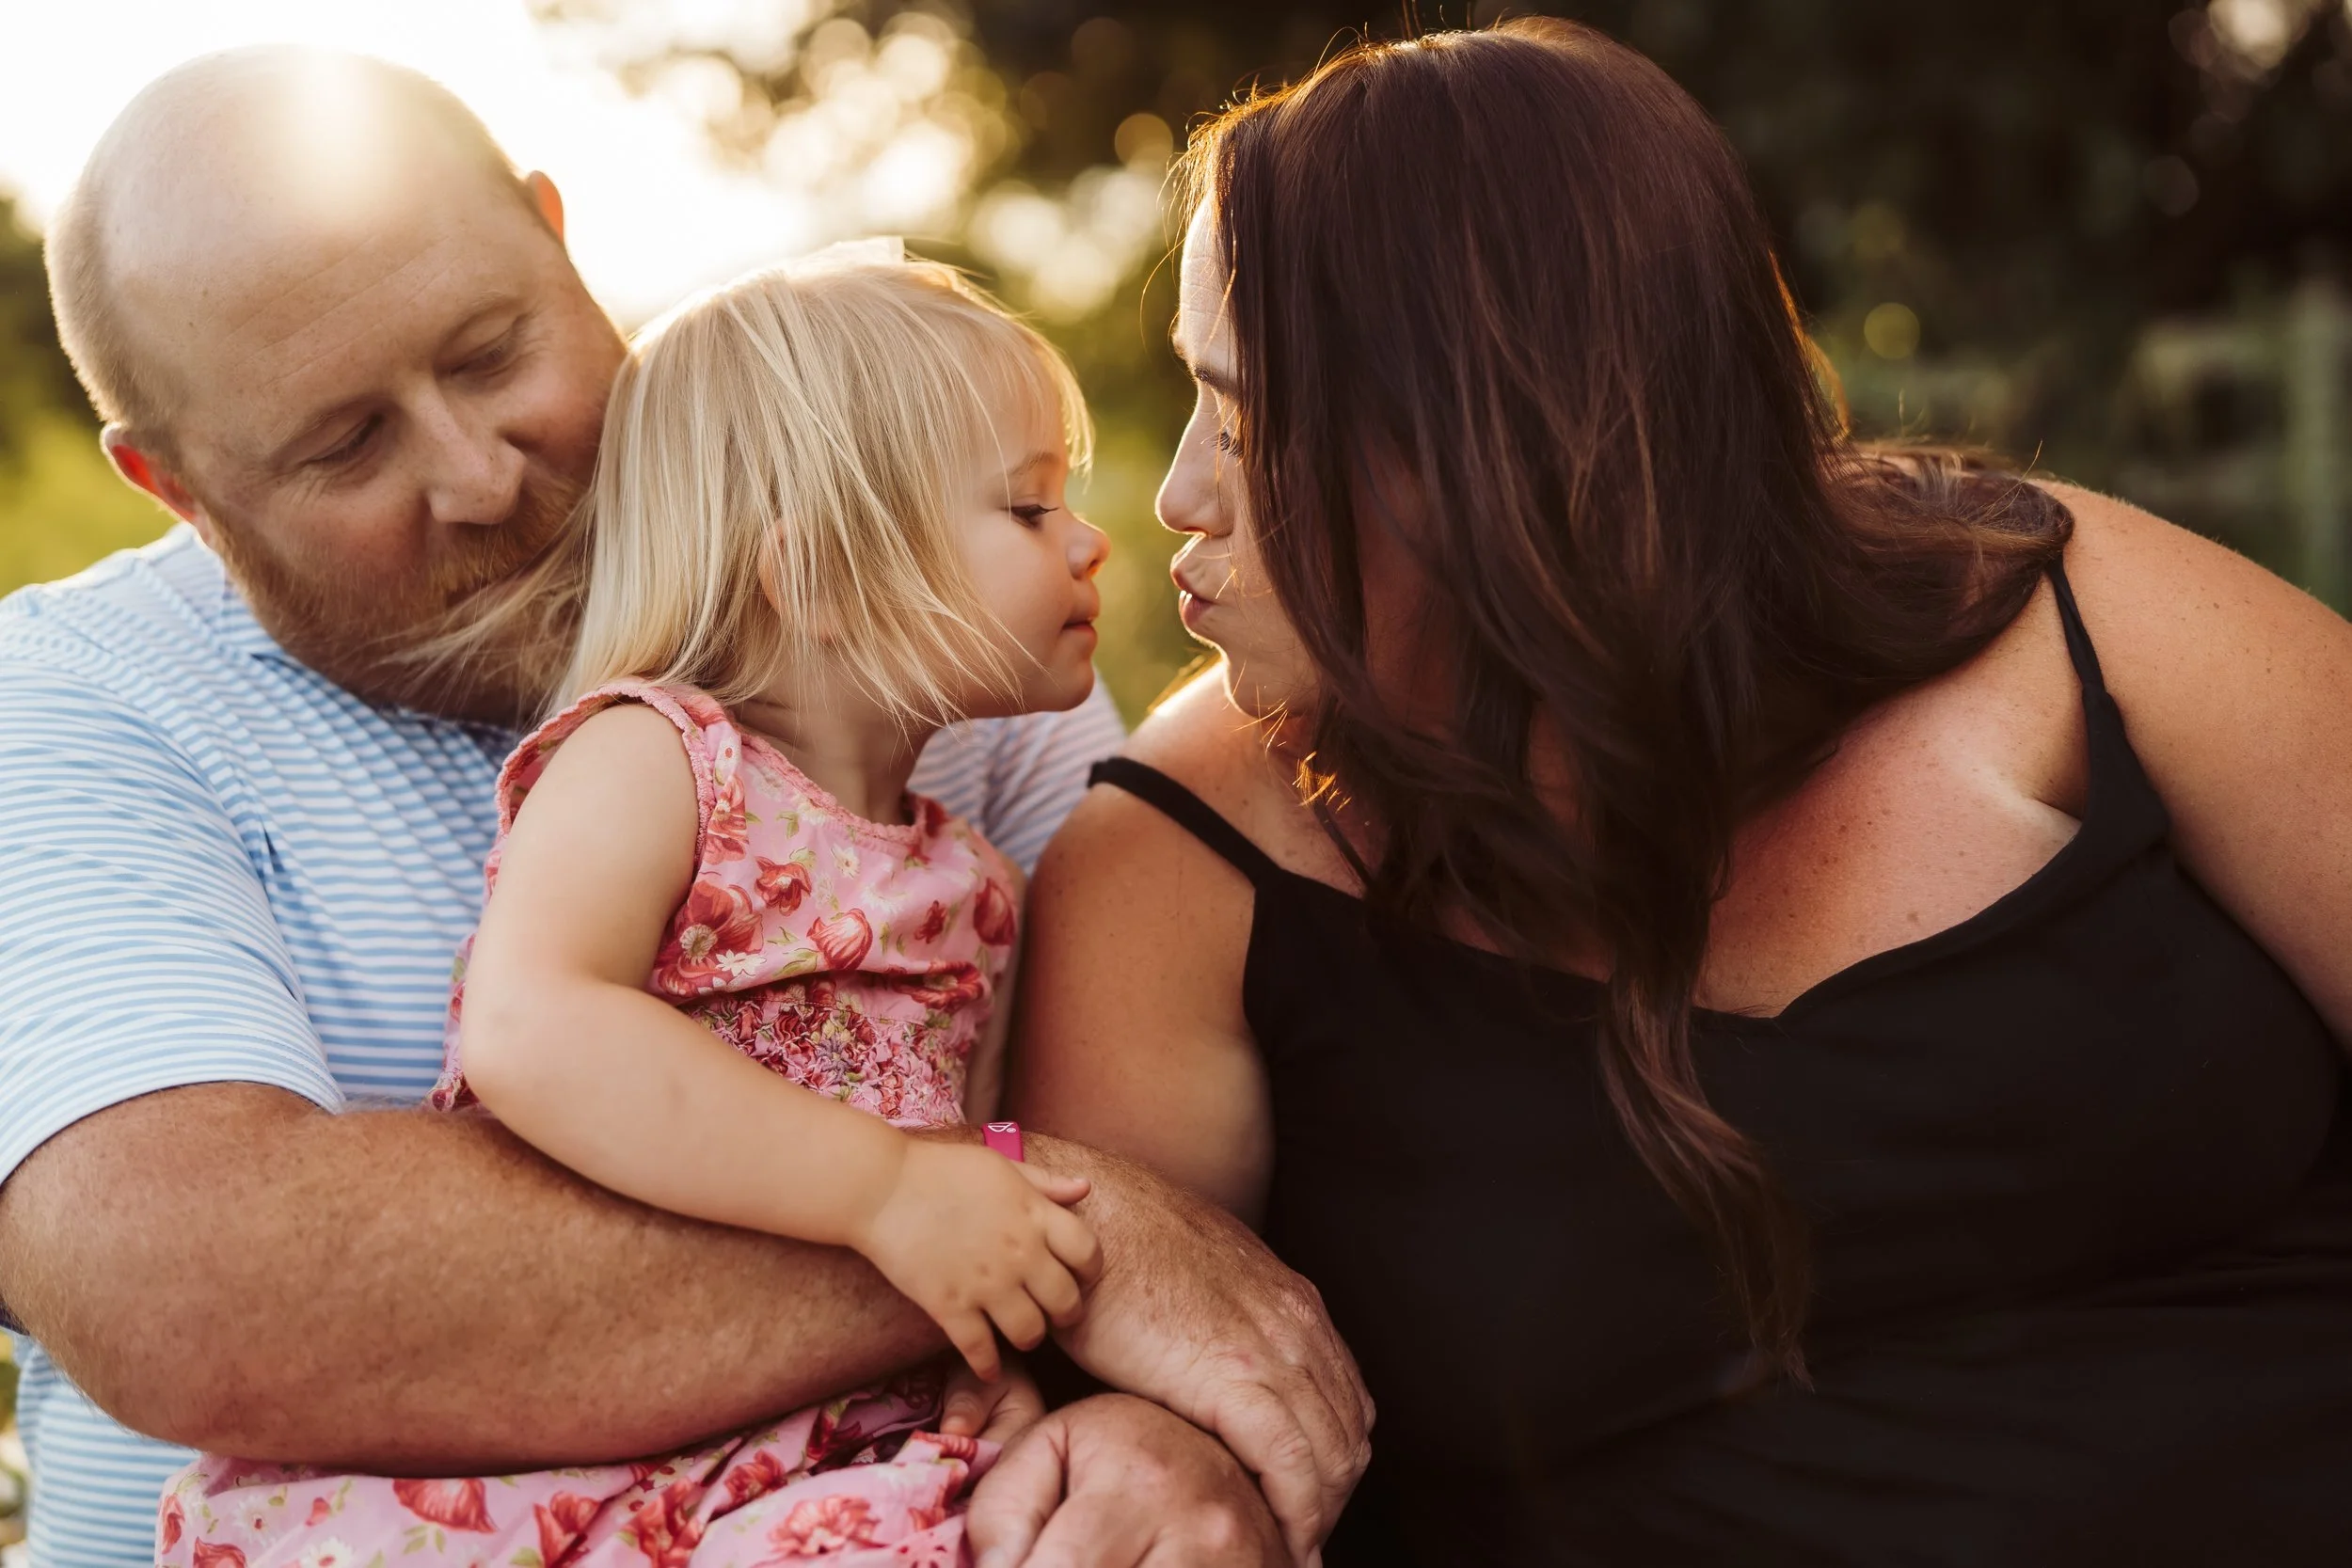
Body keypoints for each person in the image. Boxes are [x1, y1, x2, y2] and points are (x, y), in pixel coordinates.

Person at [0, 47, 1367, 1568]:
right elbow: (202, 1290)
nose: (474, 475)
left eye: (490, 350)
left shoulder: (902, 610)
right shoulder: (74, 709)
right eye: (347, 446)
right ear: (172, 481)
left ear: (554, 231)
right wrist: (1037, 1227)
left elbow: (1157, 1140)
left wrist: (1144, 1416)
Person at [1013, 19, 2352, 1566]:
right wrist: (1160, 1439)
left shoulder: (2066, 614)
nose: (1175, 494)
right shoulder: (1181, 865)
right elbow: (1151, 1388)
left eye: (1242, 418)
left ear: (1483, 438)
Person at [160, 248, 1113, 1568]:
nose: (1090, 536)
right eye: (1025, 504)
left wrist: (991, 1341)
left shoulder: (982, 889)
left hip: (825, 1440)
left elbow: (985, 1183)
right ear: (821, 574)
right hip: (581, 1430)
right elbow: (534, 1023)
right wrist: (885, 1187)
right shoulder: (661, 760)